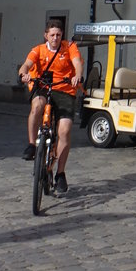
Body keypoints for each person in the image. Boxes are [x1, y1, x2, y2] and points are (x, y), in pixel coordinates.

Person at [18, 20, 83, 194]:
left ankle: (60, 174)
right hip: (43, 87)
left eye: (58, 35)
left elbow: (77, 63)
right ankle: (32, 144)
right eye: (52, 35)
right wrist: (24, 74)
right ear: (46, 35)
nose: (55, 38)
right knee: (37, 106)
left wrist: (77, 75)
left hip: (64, 89)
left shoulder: (69, 47)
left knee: (64, 130)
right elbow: (26, 65)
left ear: (62, 35)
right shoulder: (38, 50)